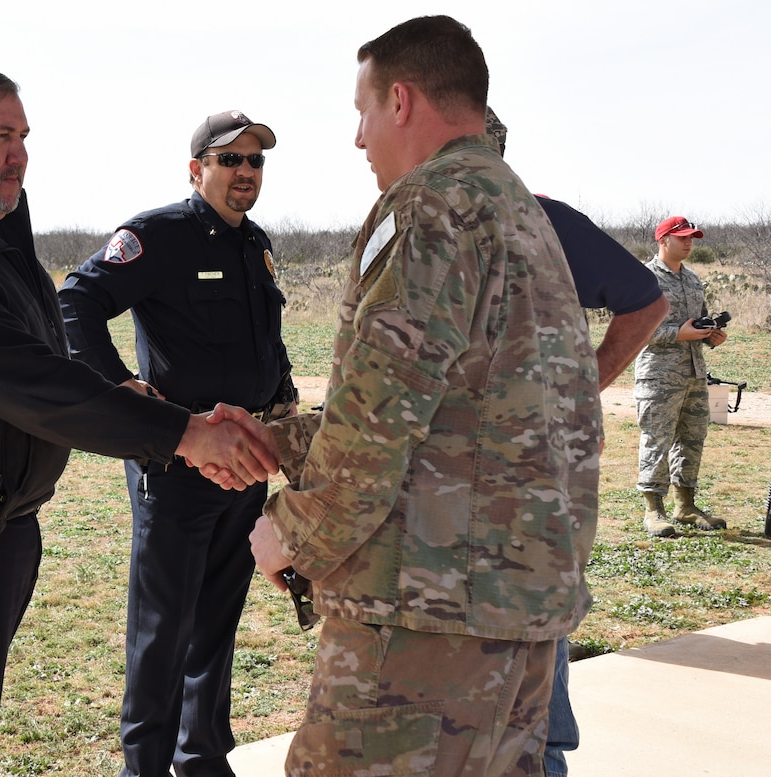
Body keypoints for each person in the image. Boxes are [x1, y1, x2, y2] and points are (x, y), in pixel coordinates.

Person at [0, 67, 277, 777]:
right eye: (1, 137)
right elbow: (29, 378)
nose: (20, 154)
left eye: (24, 137)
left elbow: (43, 344)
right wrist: (180, 430)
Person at [214, 16, 602, 776]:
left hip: (427, 618)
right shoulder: (517, 208)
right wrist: (275, 439)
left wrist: (291, 533)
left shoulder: (430, 206)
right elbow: (466, 408)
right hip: (514, 610)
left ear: (400, 100)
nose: (359, 140)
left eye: (362, 114)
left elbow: (379, 419)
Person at [58, 110, 296, 777]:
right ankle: (146, 765)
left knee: (218, 620)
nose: (245, 172)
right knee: (163, 628)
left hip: (245, 462)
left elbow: (263, 341)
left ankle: (201, 757)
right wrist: (123, 390)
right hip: (180, 461)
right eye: (231, 160)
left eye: (255, 162)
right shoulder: (157, 236)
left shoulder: (255, 245)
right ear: (197, 170)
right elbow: (74, 302)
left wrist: (281, 401)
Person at [488, 107, 669, 777]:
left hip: (537, 470)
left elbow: (645, 301)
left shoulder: (545, 219)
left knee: (541, 603)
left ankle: (547, 756)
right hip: (463, 475)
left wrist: (585, 383)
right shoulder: (431, 225)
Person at [635, 217, 728, 536]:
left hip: (693, 373)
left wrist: (708, 335)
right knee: (657, 439)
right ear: (663, 240)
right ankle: (653, 510)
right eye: (682, 237)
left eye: (692, 238)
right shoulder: (644, 278)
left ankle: (685, 506)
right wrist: (679, 333)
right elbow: (635, 329)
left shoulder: (692, 279)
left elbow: (697, 323)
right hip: (658, 375)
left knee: (691, 439)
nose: (689, 243)